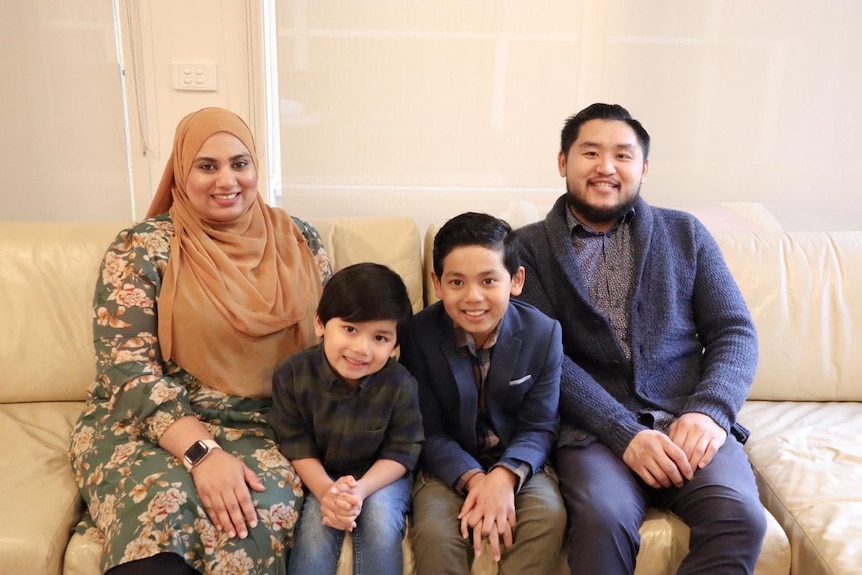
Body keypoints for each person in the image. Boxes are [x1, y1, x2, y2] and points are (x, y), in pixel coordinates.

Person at [68, 107, 332, 575]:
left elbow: (332, 343)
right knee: (163, 513)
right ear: (181, 170)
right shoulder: (144, 247)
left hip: (266, 429)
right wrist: (202, 453)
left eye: (240, 163)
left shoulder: (300, 240)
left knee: (248, 524)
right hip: (150, 426)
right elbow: (126, 369)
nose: (226, 180)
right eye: (207, 166)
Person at [515, 103, 767, 575]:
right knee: (602, 519)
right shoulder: (526, 248)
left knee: (741, 519)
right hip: (592, 431)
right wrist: (622, 432)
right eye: (590, 152)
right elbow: (545, 358)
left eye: (623, 156)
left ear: (644, 169)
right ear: (562, 162)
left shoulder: (685, 233)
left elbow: (734, 330)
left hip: (685, 420)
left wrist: (710, 410)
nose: (606, 167)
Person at [400, 212, 566, 575]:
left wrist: (504, 476)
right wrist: (477, 480)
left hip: (517, 459)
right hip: (449, 461)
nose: (473, 297)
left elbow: (540, 426)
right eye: (457, 282)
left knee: (547, 517)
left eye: (489, 280)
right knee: (434, 531)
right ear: (438, 283)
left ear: (516, 280)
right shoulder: (419, 335)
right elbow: (427, 428)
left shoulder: (544, 334)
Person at [270, 262, 423, 575]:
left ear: (395, 347)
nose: (361, 349)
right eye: (350, 329)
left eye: (380, 338)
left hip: (381, 478)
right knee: (315, 529)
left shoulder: (400, 384)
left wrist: (361, 490)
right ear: (320, 323)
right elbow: (295, 442)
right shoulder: (292, 374)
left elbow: (403, 450)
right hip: (322, 477)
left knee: (379, 518)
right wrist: (328, 492)